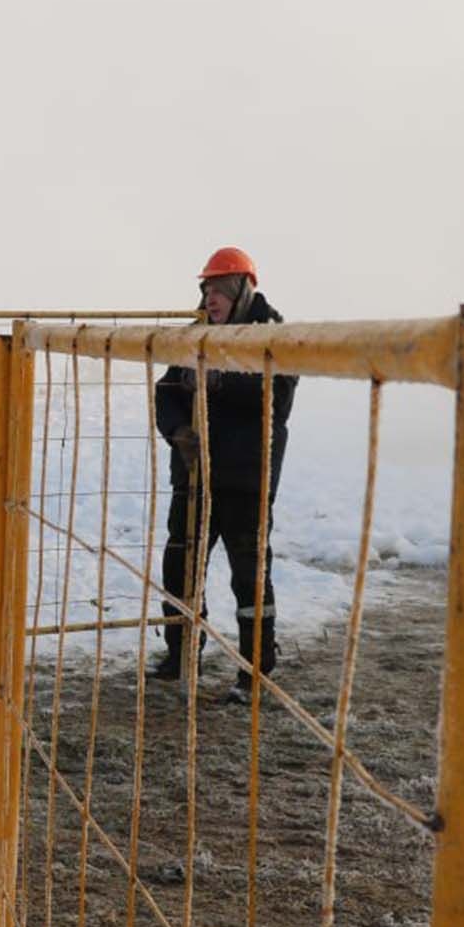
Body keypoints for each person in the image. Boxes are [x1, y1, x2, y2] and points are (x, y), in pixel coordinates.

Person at [152, 246, 297, 701]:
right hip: (194, 474)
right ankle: (181, 655)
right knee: (180, 564)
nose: (210, 298)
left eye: (219, 289)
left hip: (245, 476)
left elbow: (275, 394)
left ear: (241, 289)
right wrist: (178, 431)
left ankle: (255, 670)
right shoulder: (195, 335)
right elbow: (168, 391)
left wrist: (216, 379)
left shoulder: (272, 333)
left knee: (249, 573)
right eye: (206, 289)